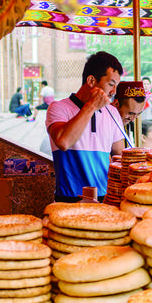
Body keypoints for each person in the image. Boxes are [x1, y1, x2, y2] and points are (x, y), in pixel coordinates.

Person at [45, 51, 125, 202]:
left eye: (116, 86)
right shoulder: (58, 108)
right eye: (111, 84)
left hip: (106, 199)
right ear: (91, 81)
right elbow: (63, 141)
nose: (114, 92)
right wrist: (92, 106)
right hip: (68, 201)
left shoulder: (113, 113)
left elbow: (119, 156)